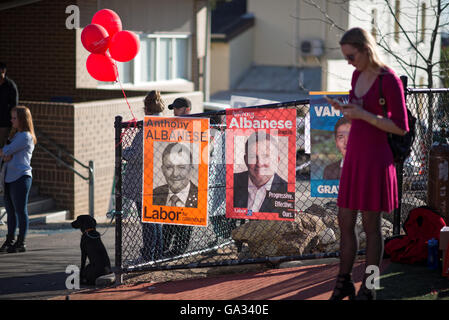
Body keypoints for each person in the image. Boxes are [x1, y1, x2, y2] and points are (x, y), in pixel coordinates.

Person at [327, 27, 409, 300]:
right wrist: (348, 111)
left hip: (376, 160)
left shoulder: (390, 79)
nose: (349, 62)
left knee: (372, 229)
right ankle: (344, 282)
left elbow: (400, 127)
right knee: (344, 222)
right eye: (346, 58)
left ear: (365, 49)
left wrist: (364, 113)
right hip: (354, 159)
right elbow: (360, 115)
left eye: (351, 56)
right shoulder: (356, 74)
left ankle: (370, 287)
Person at [122, 90, 164, 261]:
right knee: (158, 220)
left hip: (144, 182)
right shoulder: (165, 124)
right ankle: (158, 254)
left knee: (148, 221)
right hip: (161, 179)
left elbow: (138, 155)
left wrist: (123, 151)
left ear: (146, 108)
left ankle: (148, 255)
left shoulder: (148, 127)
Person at [0, 106, 36, 253]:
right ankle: (10, 240)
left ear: (22, 119)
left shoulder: (25, 136)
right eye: (12, 117)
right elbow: (5, 153)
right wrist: (5, 154)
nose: (11, 120)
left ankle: (21, 242)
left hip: (21, 177)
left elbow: (6, 151)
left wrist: (5, 154)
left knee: (20, 210)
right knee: (10, 211)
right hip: (9, 177)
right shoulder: (16, 136)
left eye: (14, 118)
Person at [154, 142, 196, 256]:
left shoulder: (198, 196)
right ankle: (162, 248)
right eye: (169, 167)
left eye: (182, 167)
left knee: (184, 224)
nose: (175, 174)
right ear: (162, 169)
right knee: (168, 226)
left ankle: (177, 250)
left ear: (191, 169)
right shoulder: (155, 194)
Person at [233, 131, 288, 214]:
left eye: (266, 156)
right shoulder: (232, 182)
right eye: (253, 156)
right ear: (245, 160)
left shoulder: (287, 190)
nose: (259, 163)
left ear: (277, 160)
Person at [0, 62, 19, 148]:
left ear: (3, 71)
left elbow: (14, 106)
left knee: (2, 146)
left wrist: (12, 123)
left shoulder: (10, 86)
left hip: (5, 122)